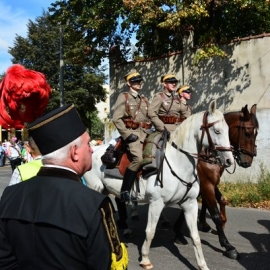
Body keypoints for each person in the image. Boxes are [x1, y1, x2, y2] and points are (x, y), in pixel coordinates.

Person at [0, 104, 128, 270]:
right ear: (74, 152)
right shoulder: (94, 204)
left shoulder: (10, 195)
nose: (91, 149)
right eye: (88, 144)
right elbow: (108, 265)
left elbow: (5, 261)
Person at [112, 70, 151, 202]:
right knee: (138, 159)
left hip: (145, 133)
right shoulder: (124, 97)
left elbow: (151, 116)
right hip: (132, 134)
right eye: (135, 81)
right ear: (129, 83)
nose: (139, 83)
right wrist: (127, 135)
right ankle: (125, 190)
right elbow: (116, 119)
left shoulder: (144, 99)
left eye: (140, 81)